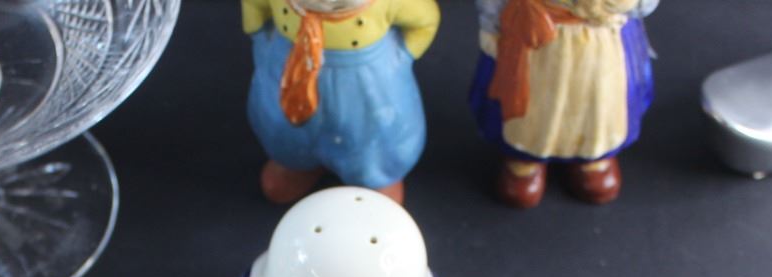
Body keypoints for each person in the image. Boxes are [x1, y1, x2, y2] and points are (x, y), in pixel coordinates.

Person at [243, 0, 441, 204]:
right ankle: (294, 163)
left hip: (365, 87)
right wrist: (260, 39)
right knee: (285, 130)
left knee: (372, 141)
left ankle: (375, 179)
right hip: (292, 67)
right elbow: (254, 5)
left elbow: (425, 21)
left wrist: (401, 58)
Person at [468, 0, 655, 207]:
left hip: (602, 37)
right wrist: (492, 23)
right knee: (535, 107)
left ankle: (593, 154)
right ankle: (525, 159)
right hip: (536, 32)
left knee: (598, 101)